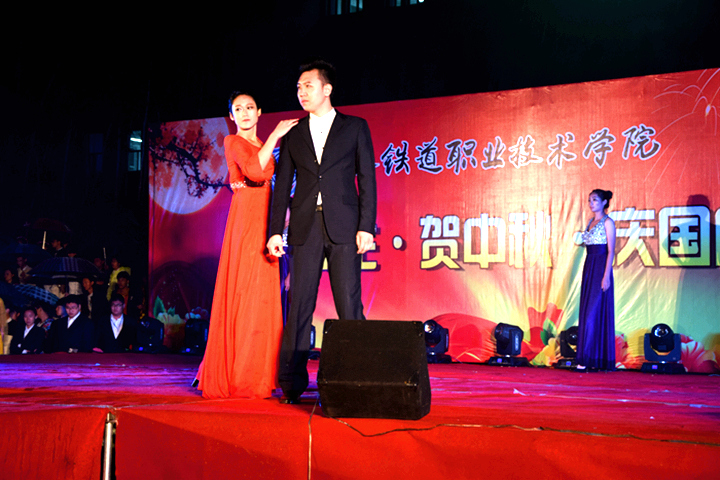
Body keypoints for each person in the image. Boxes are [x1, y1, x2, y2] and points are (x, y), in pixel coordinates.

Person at [267, 60, 377, 404]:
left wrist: (366, 227)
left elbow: (367, 179)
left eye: (308, 86)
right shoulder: (293, 133)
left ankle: (357, 378)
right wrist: (275, 231)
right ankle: (291, 383)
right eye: (298, 87)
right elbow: (282, 185)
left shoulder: (354, 127)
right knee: (299, 304)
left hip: (344, 224)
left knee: (349, 304)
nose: (302, 92)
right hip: (304, 226)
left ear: (327, 89)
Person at [194, 91, 298, 399]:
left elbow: (270, 180)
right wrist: (276, 135)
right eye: (238, 109)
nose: (245, 113)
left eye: (250, 107)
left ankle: (260, 374)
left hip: (267, 216)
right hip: (247, 218)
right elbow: (253, 171)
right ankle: (237, 374)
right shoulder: (233, 141)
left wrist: (283, 216)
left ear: (259, 111)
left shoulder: (260, 143)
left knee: (264, 297)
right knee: (244, 291)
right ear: (231, 116)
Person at [577, 189, 616, 371]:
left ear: (604, 202)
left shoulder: (608, 222)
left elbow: (611, 251)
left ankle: (591, 358)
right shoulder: (590, 222)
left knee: (593, 314)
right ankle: (587, 359)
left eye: (594, 200)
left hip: (601, 267)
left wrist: (606, 276)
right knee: (586, 313)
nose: (591, 203)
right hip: (589, 267)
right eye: (589, 200)